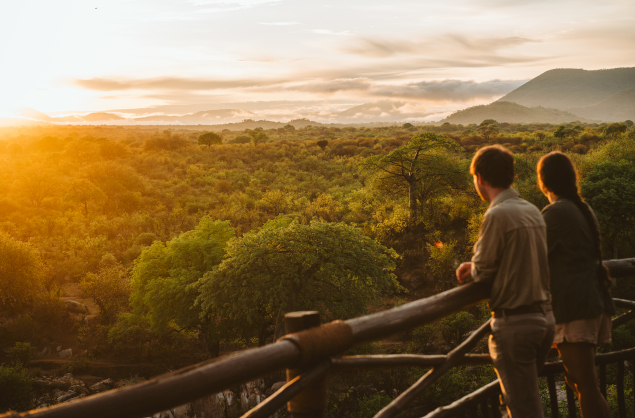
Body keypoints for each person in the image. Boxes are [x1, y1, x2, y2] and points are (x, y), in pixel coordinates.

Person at [456, 145, 555, 418]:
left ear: (481, 179)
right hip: (544, 318)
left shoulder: (497, 215)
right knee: (524, 398)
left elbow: (484, 272)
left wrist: (472, 268)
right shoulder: (532, 209)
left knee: (522, 408)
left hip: (516, 324)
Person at [537, 151, 615, 418]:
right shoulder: (581, 207)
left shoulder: (556, 212)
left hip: (576, 308)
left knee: (586, 385)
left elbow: (532, 254)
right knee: (580, 382)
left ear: (542, 182)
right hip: (592, 301)